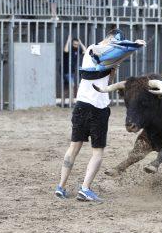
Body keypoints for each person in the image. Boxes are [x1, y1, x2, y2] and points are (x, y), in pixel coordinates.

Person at [54, 29, 145, 202]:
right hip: (97, 109)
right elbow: (103, 62)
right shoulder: (94, 50)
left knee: (74, 147)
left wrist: (116, 67)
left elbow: (106, 82)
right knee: (97, 152)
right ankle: (85, 189)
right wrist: (132, 49)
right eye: (115, 42)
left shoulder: (100, 55)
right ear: (110, 38)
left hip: (82, 105)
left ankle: (61, 186)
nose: (116, 46)